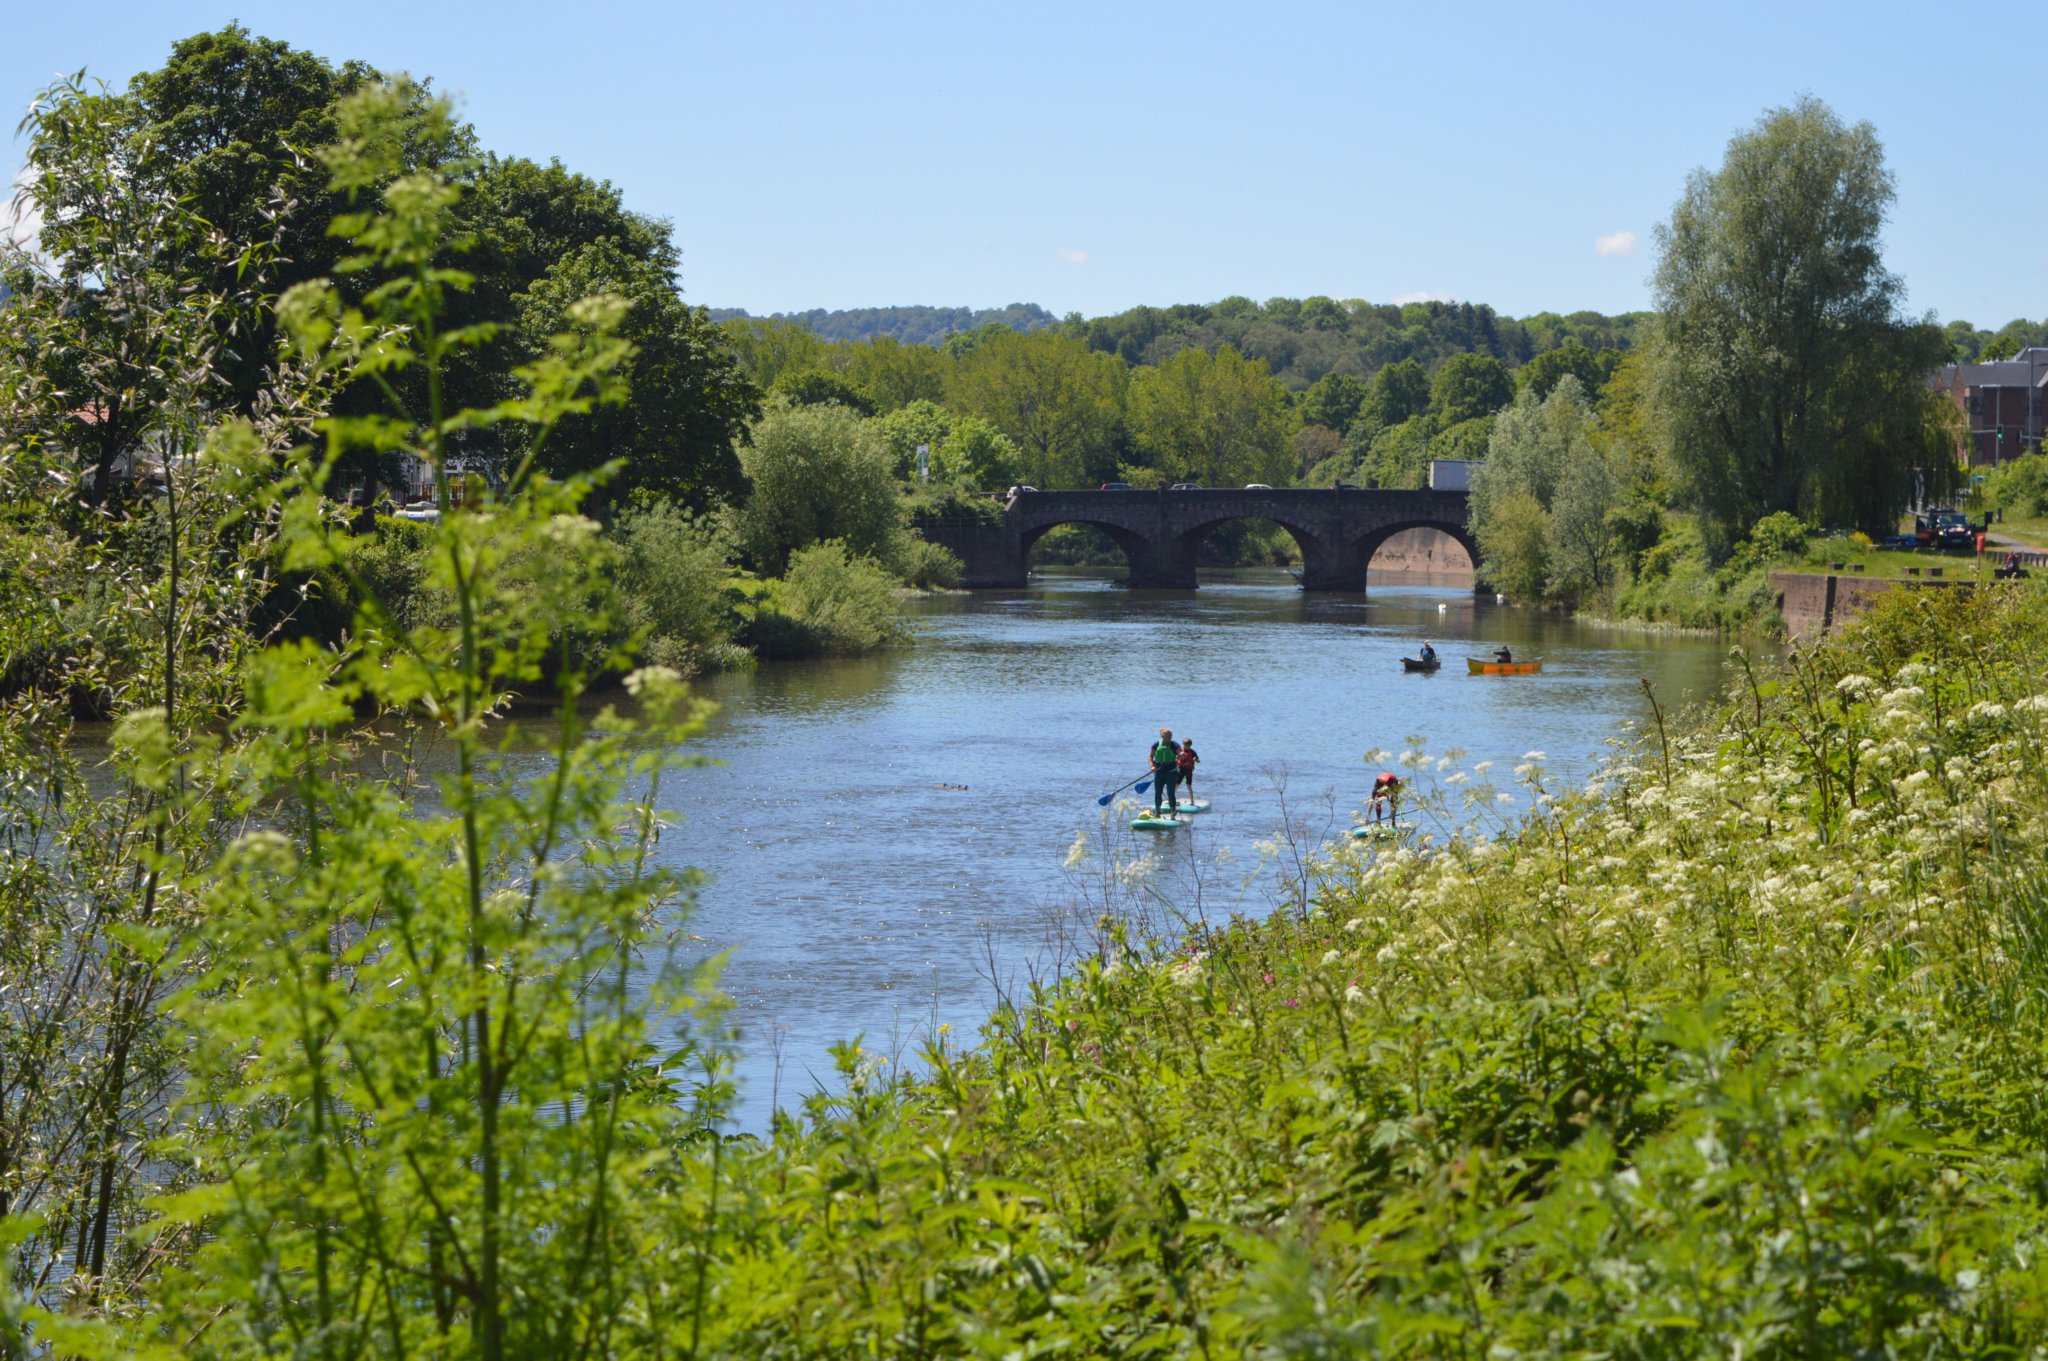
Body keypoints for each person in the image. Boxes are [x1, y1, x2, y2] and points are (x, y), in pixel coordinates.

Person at [1148, 727, 1181, 814]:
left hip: (1171, 772)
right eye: (1168, 736)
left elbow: (1180, 752)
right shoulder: (1156, 745)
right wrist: (1152, 766)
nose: (1170, 738)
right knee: (1158, 792)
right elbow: (1150, 757)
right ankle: (1158, 811)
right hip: (1159, 772)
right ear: (1162, 736)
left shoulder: (1174, 744)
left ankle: (1173, 810)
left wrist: (1182, 755)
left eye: (1170, 736)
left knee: (1170, 792)